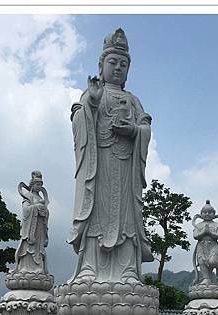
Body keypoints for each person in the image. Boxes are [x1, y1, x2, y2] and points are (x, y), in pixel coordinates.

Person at [67, 28, 154, 284]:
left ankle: (127, 270)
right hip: (99, 166)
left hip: (126, 167)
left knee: (126, 217)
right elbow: (78, 120)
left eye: (123, 64)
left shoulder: (132, 99)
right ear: (101, 64)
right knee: (97, 214)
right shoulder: (93, 93)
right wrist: (91, 104)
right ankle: (89, 270)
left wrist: (135, 131)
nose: (117, 68)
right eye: (112, 62)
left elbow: (145, 126)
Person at [13, 170, 50, 273]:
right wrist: (38, 207)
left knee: (38, 248)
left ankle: (39, 267)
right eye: (37, 184)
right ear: (32, 185)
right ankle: (25, 268)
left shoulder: (40, 198)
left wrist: (44, 211)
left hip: (39, 228)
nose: (39, 186)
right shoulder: (28, 197)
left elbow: (46, 212)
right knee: (28, 247)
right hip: (30, 228)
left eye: (40, 184)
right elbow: (26, 210)